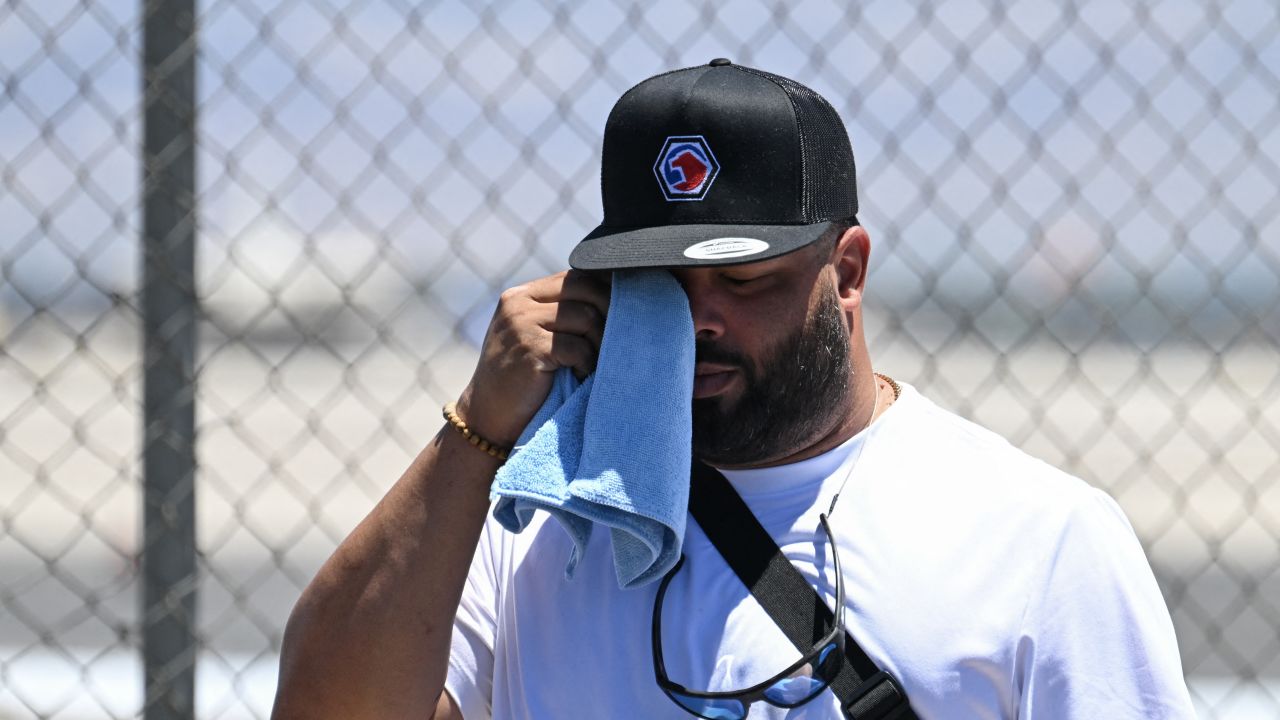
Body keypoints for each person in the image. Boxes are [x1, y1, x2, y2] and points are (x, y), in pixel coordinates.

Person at [271, 60, 1195, 719]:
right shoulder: (546, 525)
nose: (698, 319)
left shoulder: (1035, 538)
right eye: (658, 284)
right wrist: (475, 432)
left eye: (743, 281)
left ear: (847, 271)